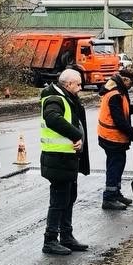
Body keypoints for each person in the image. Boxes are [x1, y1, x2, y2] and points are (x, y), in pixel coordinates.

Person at [39, 67, 91, 255]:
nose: (81, 87)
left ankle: (66, 236)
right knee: (59, 201)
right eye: (78, 84)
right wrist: (76, 135)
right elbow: (52, 118)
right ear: (68, 84)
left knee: (69, 198)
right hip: (57, 159)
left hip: (67, 159)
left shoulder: (67, 97)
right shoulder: (55, 99)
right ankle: (50, 240)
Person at [97, 67, 133, 210]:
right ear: (125, 79)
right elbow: (119, 120)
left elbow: (122, 111)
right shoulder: (115, 93)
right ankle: (109, 198)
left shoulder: (119, 90)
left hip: (112, 137)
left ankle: (116, 193)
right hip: (111, 137)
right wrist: (132, 134)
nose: (132, 85)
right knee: (115, 166)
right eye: (132, 82)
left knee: (118, 164)